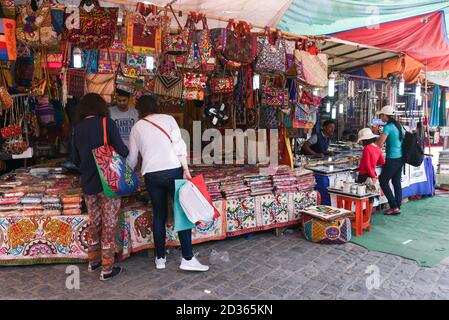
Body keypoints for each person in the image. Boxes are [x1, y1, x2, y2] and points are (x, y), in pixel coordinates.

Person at [128, 95, 209, 272]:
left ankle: (160, 258)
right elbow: (179, 147)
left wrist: (124, 172)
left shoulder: (136, 128)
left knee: (159, 215)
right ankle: (187, 258)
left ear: (139, 110)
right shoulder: (168, 119)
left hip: (152, 175)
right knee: (182, 213)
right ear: (156, 106)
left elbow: (132, 159)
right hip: (173, 170)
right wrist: (186, 169)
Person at [74, 93, 129, 280]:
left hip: (88, 183)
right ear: (100, 107)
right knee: (109, 224)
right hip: (108, 183)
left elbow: (73, 159)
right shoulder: (107, 123)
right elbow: (122, 150)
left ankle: (93, 261)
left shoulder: (77, 128)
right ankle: (107, 269)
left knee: (94, 222)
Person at [376, 105, 405, 215]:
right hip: (400, 157)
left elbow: (380, 144)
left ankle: (393, 206)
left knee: (383, 180)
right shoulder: (399, 126)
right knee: (396, 182)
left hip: (392, 158)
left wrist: (372, 144)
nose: (381, 117)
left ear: (385, 116)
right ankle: (397, 206)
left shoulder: (388, 127)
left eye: (381, 115)